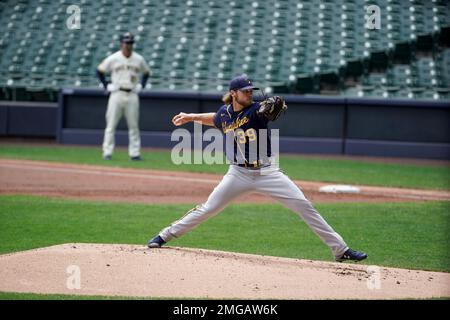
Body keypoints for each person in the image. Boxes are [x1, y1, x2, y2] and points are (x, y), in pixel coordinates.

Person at [147, 75, 367, 262]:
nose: (250, 93)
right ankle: (163, 236)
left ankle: (341, 250)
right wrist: (191, 117)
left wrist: (272, 107)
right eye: (245, 91)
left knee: (304, 205)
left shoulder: (256, 111)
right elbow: (215, 119)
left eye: (251, 90)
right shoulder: (224, 113)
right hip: (238, 173)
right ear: (234, 93)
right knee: (208, 208)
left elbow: (265, 112)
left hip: (267, 173)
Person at [96, 32, 151, 161]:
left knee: (133, 126)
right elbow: (99, 70)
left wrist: (141, 85)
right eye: (127, 42)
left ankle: (135, 153)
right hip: (117, 93)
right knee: (110, 125)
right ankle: (107, 152)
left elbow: (147, 72)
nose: (129, 45)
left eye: (131, 43)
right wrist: (105, 85)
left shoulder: (139, 59)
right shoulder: (114, 58)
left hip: (132, 94)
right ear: (121, 43)